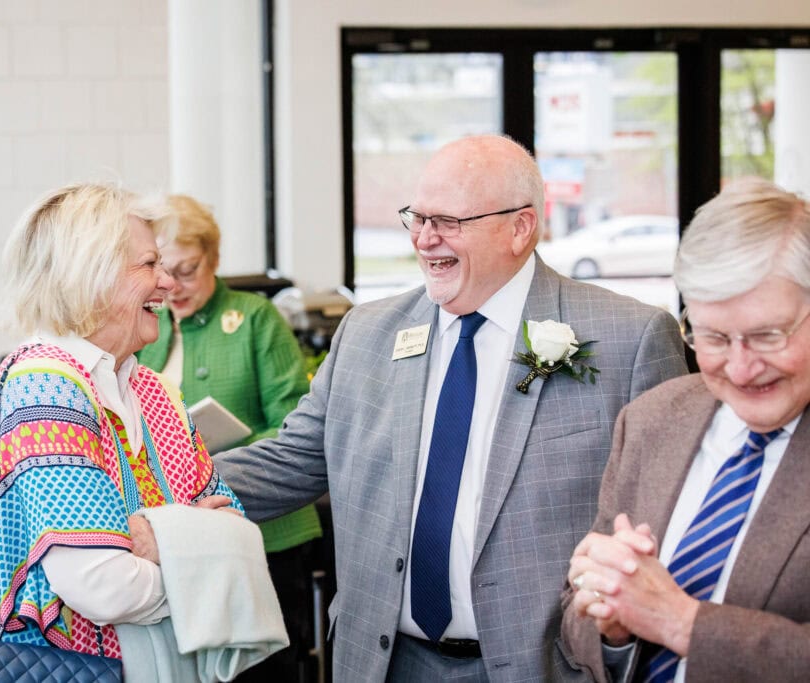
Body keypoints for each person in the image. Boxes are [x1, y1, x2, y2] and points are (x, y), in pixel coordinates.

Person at [215, 134, 689, 682]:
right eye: (416, 218)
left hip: (547, 664)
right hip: (385, 661)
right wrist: (154, 481)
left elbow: (664, 512)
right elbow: (296, 458)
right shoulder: (368, 333)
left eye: (447, 222)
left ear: (520, 227)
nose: (424, 239)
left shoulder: (628, 338)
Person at [0, 184, 251, 683]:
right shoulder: (43, 388)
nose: (165, 282)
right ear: (89, 275)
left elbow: (239, 532)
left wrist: (155, 538)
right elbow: (103, 587)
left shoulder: (154, 392)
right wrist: (192, 549)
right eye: (148, 265)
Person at [561, 178, 810, 682]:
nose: (740, 370)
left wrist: (682, 623)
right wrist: (612, 624)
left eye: (767, 335)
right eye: (714, 337)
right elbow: (576, 622)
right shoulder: (652, 419)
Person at [137, 194, 322, 681]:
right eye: (162, 269)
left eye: (188, 269)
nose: (174, 286)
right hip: (184, 535)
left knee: (268, 671)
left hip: (266, 530)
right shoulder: (145, 325)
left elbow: (297, 425)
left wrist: (211, 459)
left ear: (214, 260)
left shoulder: (255, 318)